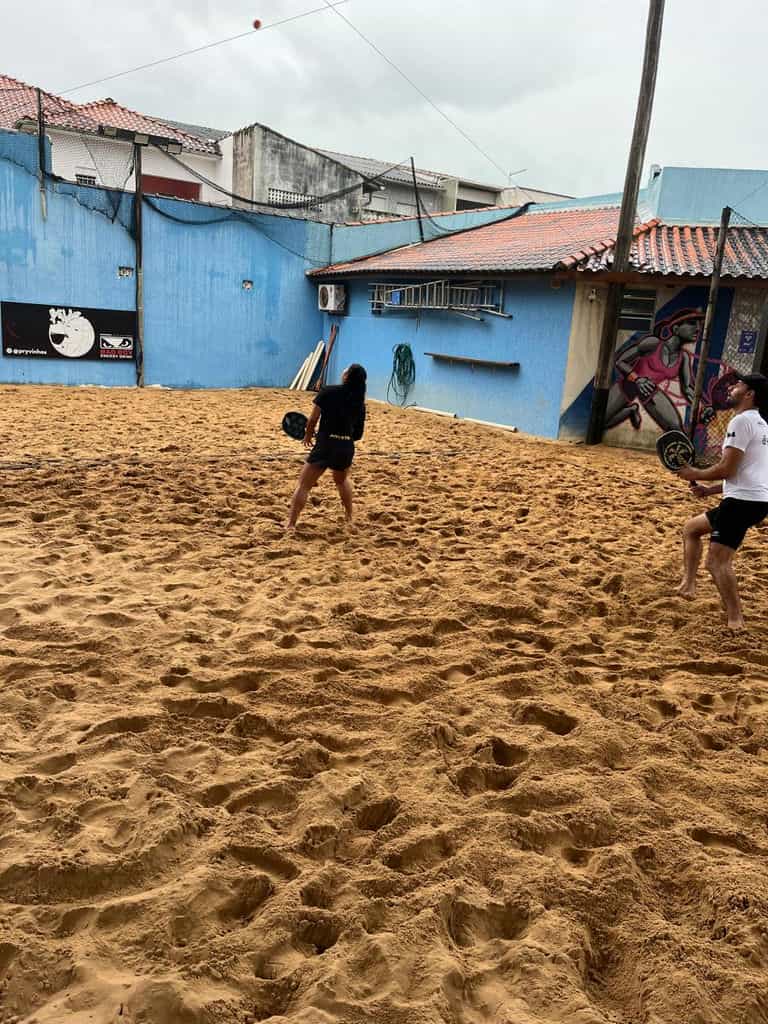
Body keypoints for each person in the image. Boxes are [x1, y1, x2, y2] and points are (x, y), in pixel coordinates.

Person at [676, 373, 768, 629]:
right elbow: (747, 471)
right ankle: (688, 584)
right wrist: (710, 490)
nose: (731, 387)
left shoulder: (740, 421)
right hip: (754, 500)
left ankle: (735, 618)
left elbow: (727, 468)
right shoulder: (761, 423)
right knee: (691, 529)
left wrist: (694, 473)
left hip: (741, 503)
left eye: (738, 385)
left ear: (749, 394)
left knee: (717, 562)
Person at [286, 364, 367, 532]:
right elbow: (358, 434)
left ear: (347, 376)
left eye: (346, 370)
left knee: (303, 485)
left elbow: (313, 419)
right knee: (342, 481)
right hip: (345, 447)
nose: (343, 371)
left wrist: (308, 435)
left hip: (325, 445)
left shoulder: (328, 391)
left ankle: (291, 524)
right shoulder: (359, 402)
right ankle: (349, 518)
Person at [604, 314, 703, 432]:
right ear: (676, 328)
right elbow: (621, 361)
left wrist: (702, 408)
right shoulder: (654, 343)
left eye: (699, 325)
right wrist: (637, 379)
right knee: (600, 421)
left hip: (649, 391)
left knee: (676, 428)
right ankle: (630, 411)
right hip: (628, 384)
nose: (698, 329)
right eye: (692, 323)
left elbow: (687, 389)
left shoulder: (684, 357)